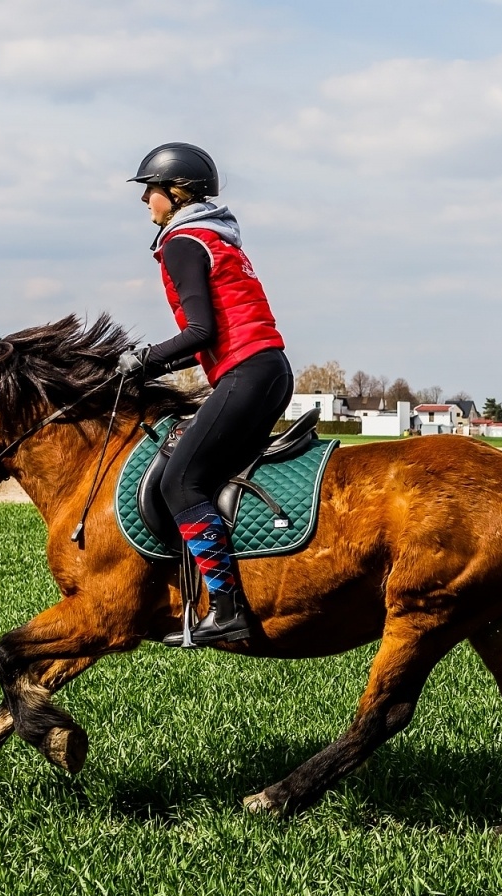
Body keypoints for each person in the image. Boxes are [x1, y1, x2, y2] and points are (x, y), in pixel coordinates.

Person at [120, 142, 293, 646]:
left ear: (178, 193)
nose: (146, 200)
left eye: (151, 189)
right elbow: (208, 340)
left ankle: (225, 608)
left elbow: (199, 332)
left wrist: (144, 358)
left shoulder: (182, 243)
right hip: (267, 370)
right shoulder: (219, 239)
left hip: (246, 374)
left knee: (180, 482)